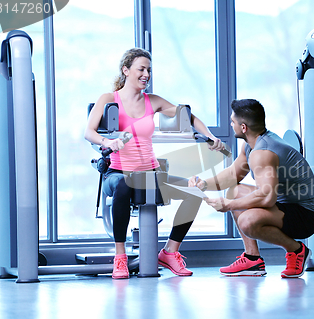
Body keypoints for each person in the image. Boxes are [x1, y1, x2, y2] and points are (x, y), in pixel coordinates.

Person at [85, 48, 224, 279]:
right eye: (141, 69)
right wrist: (108, 142)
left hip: (150, 173)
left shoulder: (154, 101)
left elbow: (188, 117)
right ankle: (120, 257)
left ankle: (170, 252)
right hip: (117, 173)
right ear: (126, 70)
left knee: (194, 191)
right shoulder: (109, 99)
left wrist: (210, 136)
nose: (146, 74)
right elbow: (89, 132)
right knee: (122, 184)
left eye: (149, 70)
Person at [190, 99, 314, 278]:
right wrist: (203, 184)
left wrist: (228, 205)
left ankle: (296, 250)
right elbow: (232, 175)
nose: (230, 124)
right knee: (233, 190)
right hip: (284, 205)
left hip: (304, 215)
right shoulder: (253, 144)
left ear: (243, 127)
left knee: (247, 221)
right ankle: (252, 259)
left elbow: (267, 198)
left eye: (232, 122)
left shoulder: (263, 152)